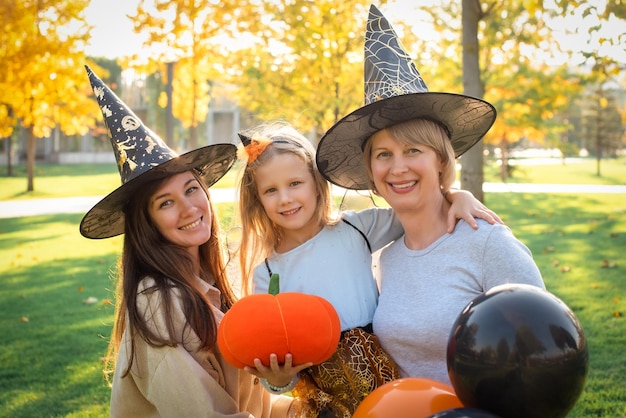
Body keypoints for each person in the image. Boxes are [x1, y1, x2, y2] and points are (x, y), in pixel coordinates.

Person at [316, 5, 546, 386]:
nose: (398, 167)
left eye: (413, 151)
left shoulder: (487, 243)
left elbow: (543, 347)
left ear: (441, 160)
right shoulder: (384, 260)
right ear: (371, 171)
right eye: (383, 155)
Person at [235, 121, 502, 416]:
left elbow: (419, 206)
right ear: (257, 200)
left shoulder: (355, 228)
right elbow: (278, 366)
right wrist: (279, 381)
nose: (285, 198)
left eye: (295, 183)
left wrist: (457, 195)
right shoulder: (268, 273)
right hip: (326, 403)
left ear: (316, 182)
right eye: (270, 190)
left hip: (387, 386)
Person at [81, 65, 304, 417]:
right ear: (146, 222)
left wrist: (306, 407)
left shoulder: (215, 281)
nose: (188, 209)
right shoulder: (156, 303)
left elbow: (253, 402)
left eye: (191, 190)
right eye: (165, 203)